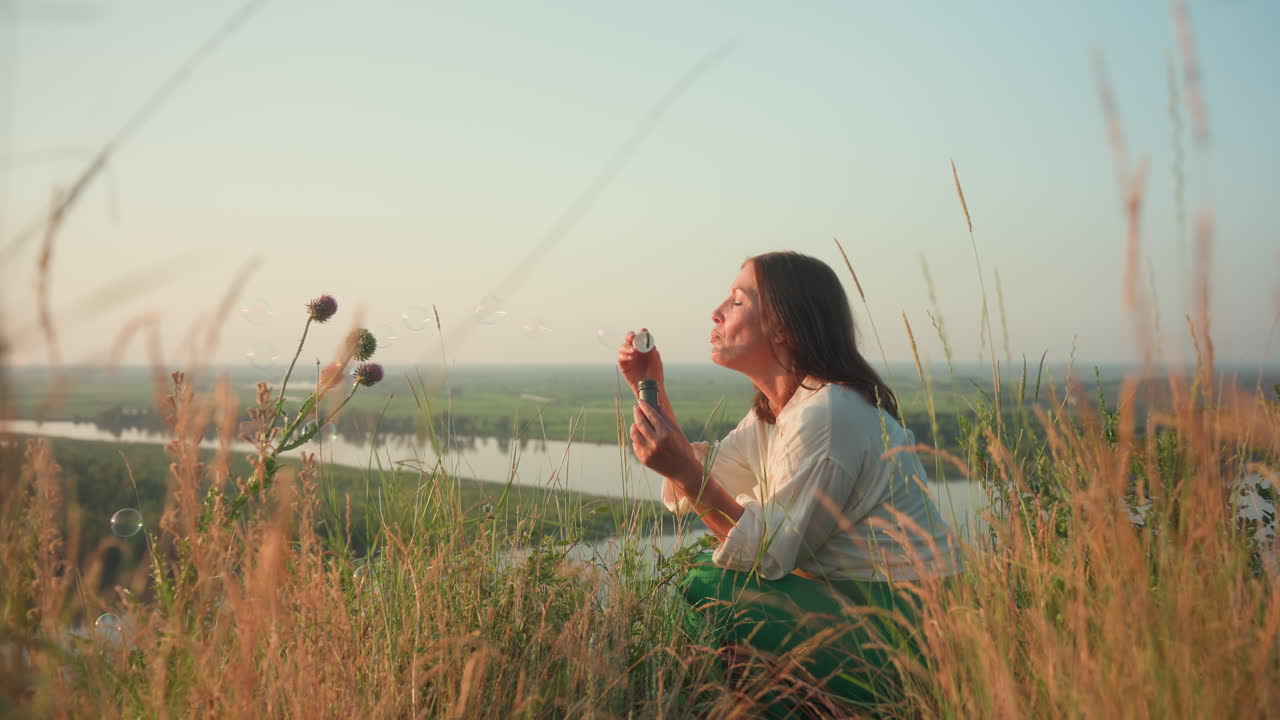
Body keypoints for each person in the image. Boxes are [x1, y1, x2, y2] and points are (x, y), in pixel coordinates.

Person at [617, 251, 963, 717]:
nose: (716, 311)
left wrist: (685, 473)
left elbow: (770, 551)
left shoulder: (828, 414)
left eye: (737, 301)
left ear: (784, 327)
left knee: (704, 586)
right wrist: (650, 386)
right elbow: (709, 475)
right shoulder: (784, 411)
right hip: (864, 609)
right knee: (712, 572)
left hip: (909, 630)